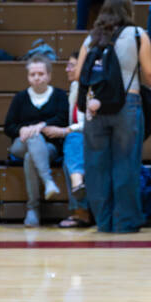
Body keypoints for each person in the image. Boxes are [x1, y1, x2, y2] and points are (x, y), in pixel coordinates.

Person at [75, 0, 151, 233]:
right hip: (128, 103)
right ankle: (125, 223)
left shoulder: (92, 38)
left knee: (96, 166)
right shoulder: (137, 35)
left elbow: (78, 73)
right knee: (126, 165)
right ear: (128, 11)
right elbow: (150, 73)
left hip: (96, 107)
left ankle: (104, 223)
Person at [3, 54, 69, 227]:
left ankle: (33, 208)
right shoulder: (20, 98)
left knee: (30, 158)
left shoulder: (60, 95)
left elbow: (63, 119)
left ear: (49, 75)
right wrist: (21, 129)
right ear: (28, 77)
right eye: (33, 74)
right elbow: (8, 126)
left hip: (50, 147)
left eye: (41, 73)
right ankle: (48, 182)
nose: (37, 77)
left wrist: (41, 126)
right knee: (32, 138)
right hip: (20, 145)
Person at [58, 53, 92, 228]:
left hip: (94, 135)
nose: (67, 69)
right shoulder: (74, 87)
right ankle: (81, 208)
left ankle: (81, 212)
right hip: (79, 138)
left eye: (72, 65)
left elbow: (87, 122)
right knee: (68, 159)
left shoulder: (91, 86)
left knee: (72, 139)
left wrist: (66, 130)